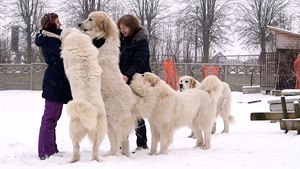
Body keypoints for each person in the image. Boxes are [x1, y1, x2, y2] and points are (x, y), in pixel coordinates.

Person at [35, 13, 72, 160]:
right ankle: (45, 150)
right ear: (50, 24)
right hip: (54, 83)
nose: (60, 23)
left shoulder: (55, 38)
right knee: (50, 118)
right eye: (57, 22)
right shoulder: (51, 40)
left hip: (58, 83)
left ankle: (51, 148)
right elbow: (62, 59)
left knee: (53, 118)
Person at [117, 14, 151, 153]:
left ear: (132, 27)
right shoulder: (121, 40)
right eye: (120, 28)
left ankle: (142, 143)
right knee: (122, 112)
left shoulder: (141, 41)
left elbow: (139, 62)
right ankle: (122, 143)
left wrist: (127, 75)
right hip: (122, 80)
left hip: (138, 80)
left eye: (125, 28)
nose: (122, 30)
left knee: (137, 113)